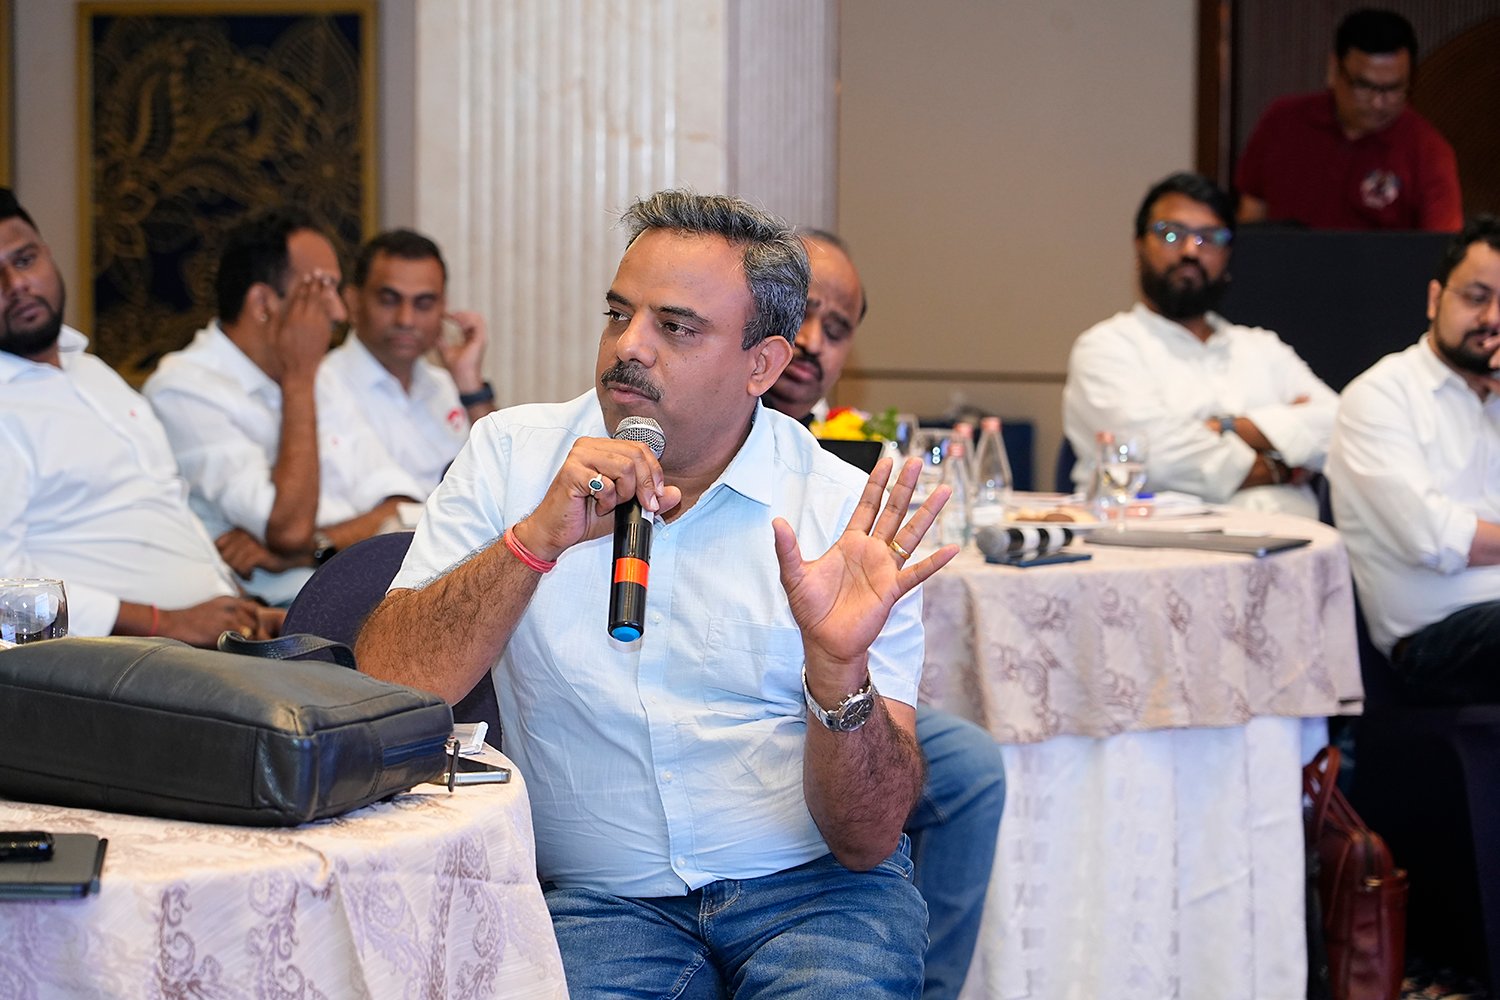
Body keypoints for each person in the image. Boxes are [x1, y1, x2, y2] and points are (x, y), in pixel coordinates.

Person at [356, 190, 958, 998]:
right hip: (600, 898)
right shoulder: (511, 458)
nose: (628, 346)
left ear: (763, 364)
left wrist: (838, 675)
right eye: (618, 313)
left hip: (815, 892)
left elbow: (868, 839)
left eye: (675, 327)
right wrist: (531, 544)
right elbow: (388, 688)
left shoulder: (844, 517)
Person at [765, 227, 1005, 1000]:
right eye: (801, 311)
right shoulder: (707, 429)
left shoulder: (840, 461)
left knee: (969, 767)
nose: (812, 342)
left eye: (836, 329)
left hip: (825, 688)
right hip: (751, 698)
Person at [0, 188, 279, 645]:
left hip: (218, 633)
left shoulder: (93, 373)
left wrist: (239, 604)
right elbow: (4, 599)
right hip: (125, 663)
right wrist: (163, 623)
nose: (16, 285)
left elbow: (161, 503)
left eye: (25, 260)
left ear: (49, 256)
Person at [144, 210, 424, 606]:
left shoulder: (319, 376)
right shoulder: (184, 389)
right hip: (277, 613)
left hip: (359, 587)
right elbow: (289, 529)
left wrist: (316, 547)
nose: (339, 312)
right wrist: (298, 380)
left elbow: (402, 507)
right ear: (263, 302)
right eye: (321, 290)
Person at [1063, 171, 1339, 518]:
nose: (1190, 251)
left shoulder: (1263, 348)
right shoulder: (1107, 348)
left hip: (1295, 542)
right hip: (1161, 545)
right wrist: (1283, 463)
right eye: (1171, 234)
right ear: (1139, 246)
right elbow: (1157, 460)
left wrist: (1229, 427)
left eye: (1209, 238)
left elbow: (1340, 428)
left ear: (1227, 255)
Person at [1327, 215, 1500, 704]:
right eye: (1477, 297)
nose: (1492, 319)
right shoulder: (1381, 397)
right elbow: (1433, 539)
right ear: (1434, 299)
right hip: (1437, 638)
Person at [1235, 8, 1461, 232]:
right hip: (1285, 255)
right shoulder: (1283, 121)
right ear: (1334, 69)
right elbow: (1251, 218)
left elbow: (1443, 245)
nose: (1378, 102)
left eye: (1393, 89)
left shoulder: (1428, 151)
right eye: (1364, 86)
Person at [326, 229, 497, 494]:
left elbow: (504, 481)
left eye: (423, 304)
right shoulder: (321, 386)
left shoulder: (447, 387)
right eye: (389, 300)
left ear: (443, 308)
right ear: (353, 301)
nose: (406, 320)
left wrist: (470, 386)